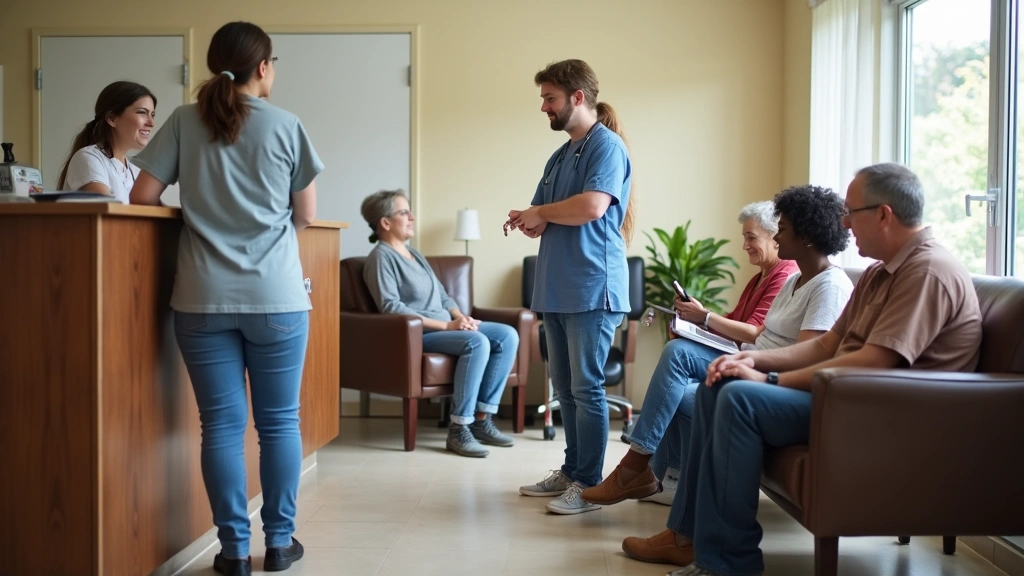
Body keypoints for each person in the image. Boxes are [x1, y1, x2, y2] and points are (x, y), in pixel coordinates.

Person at [622, 163, 983, 576]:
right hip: (849, 399)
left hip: (886, 415)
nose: (845, 224)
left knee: (738, 398)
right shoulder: (880, 273)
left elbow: (877, 361)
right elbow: (828, 345)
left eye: (853, 212)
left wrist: (768, 379)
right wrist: (750, 359)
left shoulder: (928, 271)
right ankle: (694, 543)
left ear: (884, 214)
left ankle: (728, 563)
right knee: (716, 387)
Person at [129, 21, 320, 575]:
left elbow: (142, 195)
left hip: (201, 299)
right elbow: (305, 214)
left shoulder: (185, 121)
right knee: (280, 422)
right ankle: (280, 544)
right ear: (263, 67)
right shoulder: (287, 125)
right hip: (278, 299)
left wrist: (203, 214)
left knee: (220, 426)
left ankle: (233, 552)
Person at [582, 186, 853, 511]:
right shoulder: (797, 281)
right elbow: (763, 333)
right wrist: (701, 327)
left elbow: (807, 354)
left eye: (780, 229)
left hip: (772, 377)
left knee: (679, 360)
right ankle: (657, 480)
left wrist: (747, 360)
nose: (777, 237)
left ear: (807, 235)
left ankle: (639, 474)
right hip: (756, 362)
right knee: (676, 391)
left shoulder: (828, 285)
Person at [509, 59, 635, 515]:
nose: (544, 107)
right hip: (557, 288)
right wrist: (528, 217)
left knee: (586, 389)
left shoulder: (607, 147)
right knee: (564, 390)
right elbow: (545, 213)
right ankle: (570, 470)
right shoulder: (561, 155)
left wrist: (543, 212)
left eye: (550, 99)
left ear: (577, 98)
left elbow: (592, 207)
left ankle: (588, 484)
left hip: (590, 288)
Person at [360, 189, 519, 458]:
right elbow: (391, 307)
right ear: (385, 223)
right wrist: (447, 327)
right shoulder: (380, 258)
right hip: (418, 334)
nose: (412, 217)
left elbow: (443, 295)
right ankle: (459, 429)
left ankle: (482, 420)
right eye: (404, 212)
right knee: (477, 342)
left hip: (447, 326)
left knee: (507, 335)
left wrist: (459, 317)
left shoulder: (415, 254)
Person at [56, 80, 156, 203]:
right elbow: (110, 215)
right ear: (112, 119)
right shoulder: (89, 159)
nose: (151, 123)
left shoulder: (136, 171)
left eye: (152, 114)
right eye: (142, 112)